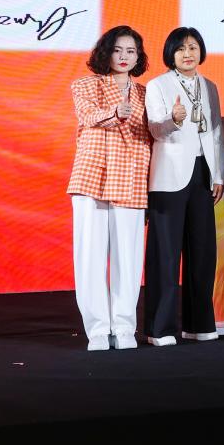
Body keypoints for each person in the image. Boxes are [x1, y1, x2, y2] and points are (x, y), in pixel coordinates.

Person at [67, 26, 152, 351]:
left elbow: (155, 132)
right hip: (92, 176)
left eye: (131, 51)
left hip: (131, 176)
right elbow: (87, 116)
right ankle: (98, 330)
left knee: (128, 259)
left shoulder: (146, 92)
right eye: (118, 50)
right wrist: (115, 112)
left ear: (138, 56)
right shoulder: (85, 85)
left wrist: (173, 121)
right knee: (89, 256)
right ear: (106, 52)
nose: (124, 56)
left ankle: (125, 327)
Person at [143, 27, 224, 347]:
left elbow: (215, 132)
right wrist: (174, 119)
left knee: (203, 252)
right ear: (171, 54)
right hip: (168, 177)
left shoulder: (210, 86)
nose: (187, 53)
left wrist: (218, 175)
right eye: (180, 49)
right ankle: (160, 328)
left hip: (203, 174)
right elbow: (155, 130)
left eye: (192, 47)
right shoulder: (158, 85)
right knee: (165, 255)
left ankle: (199, 324)